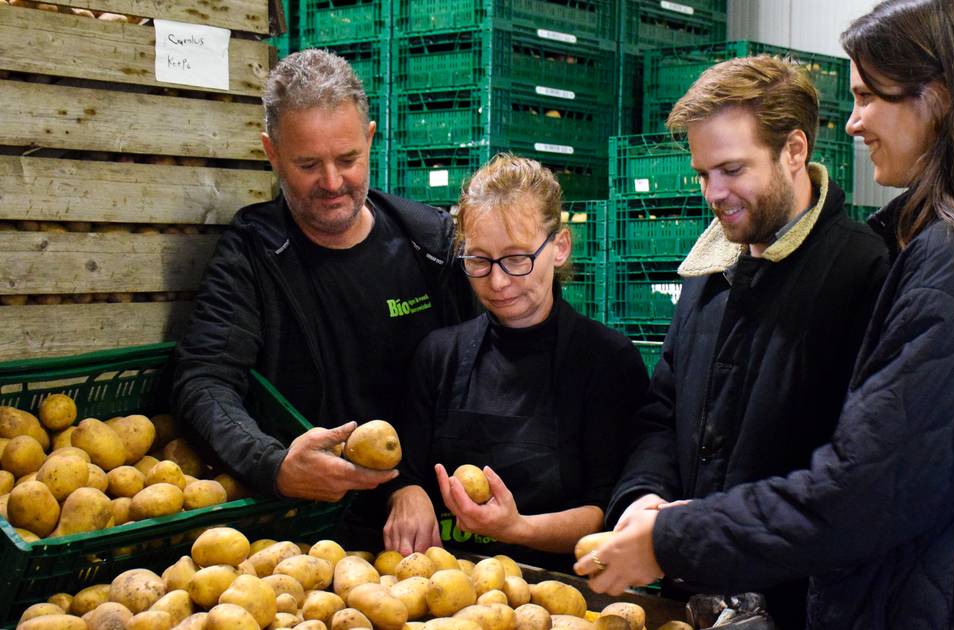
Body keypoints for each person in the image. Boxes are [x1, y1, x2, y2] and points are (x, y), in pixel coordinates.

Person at [576, 1, 954, 628]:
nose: (855, 121)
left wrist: (672, 537)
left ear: (937, 98)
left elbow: (861, 490)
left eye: (869, 96)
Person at [597, 54, 891, 625]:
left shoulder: (864, 273)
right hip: (694, 597)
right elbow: (663, 414)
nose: (713, 192)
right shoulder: (709, 275)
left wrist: (704, 530)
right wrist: (644, 498)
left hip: (800, 608)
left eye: (732, 170)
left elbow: (855, 470)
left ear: (795, 151)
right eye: (703, 173)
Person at [171, 49, 474, 546]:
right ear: (271, 152)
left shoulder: (431, 244)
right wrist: (274, 464)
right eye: (308, 164)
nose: (332, 183)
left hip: (428, 532)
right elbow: (204, 382)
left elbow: (476, 380)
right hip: (299, 537)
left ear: (370, 139)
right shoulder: (254, 251)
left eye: (348, 159)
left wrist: (414, 480)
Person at [385, 154, 649, 570]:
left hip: (559, 594)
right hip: (447, 589)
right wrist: (406, 492)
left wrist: (516, 527)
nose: (498, 281)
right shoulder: (439, 355)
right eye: (478, 260)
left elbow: (606, 515)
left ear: (559, 247)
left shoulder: (607, 361)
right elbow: (408, 469)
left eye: (516, 259)